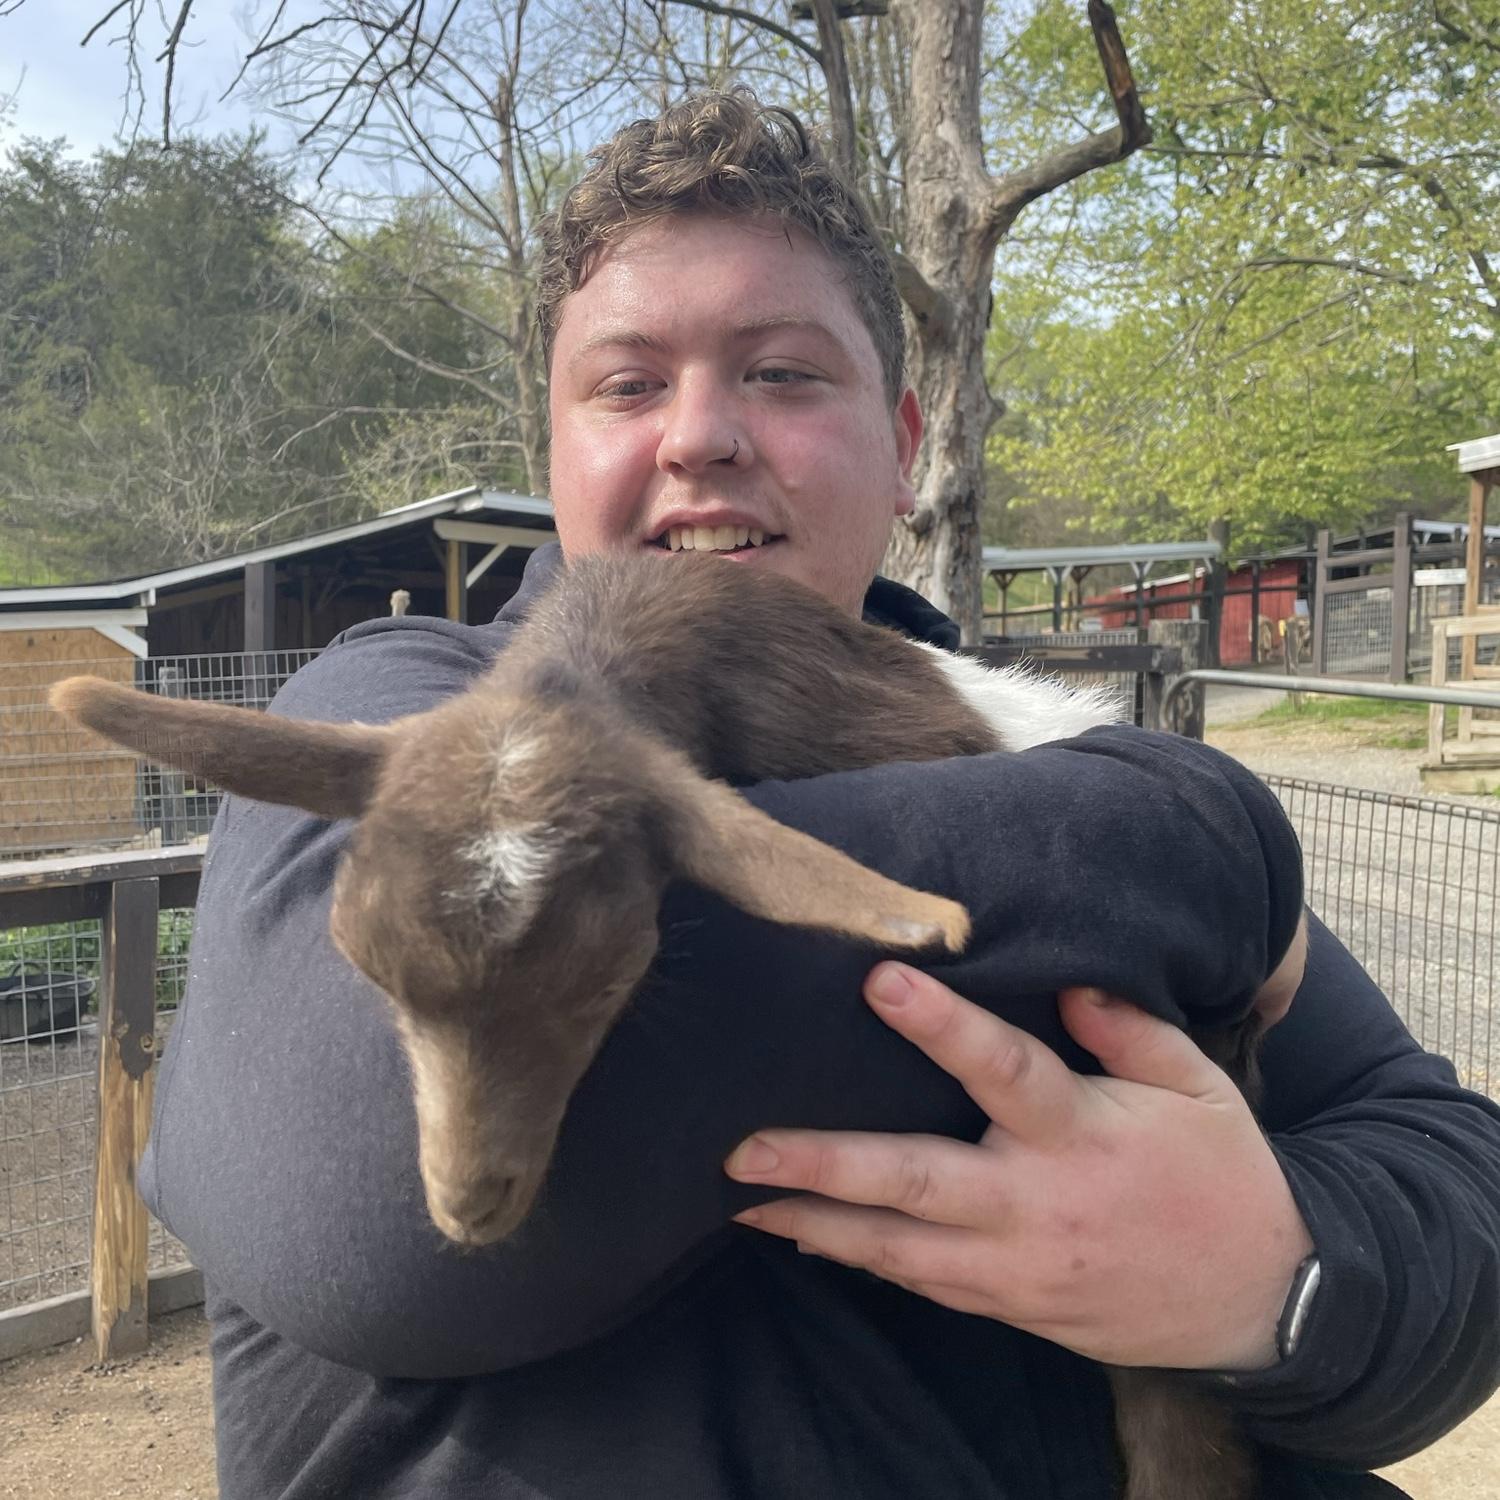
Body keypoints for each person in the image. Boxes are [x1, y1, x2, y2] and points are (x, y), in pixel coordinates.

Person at [142, 91, 1500, 1499]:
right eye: (625, 384)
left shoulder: (1024, 738)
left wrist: (1275, 1279)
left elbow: (1451, 1182)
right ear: (553, 447)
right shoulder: (389, 712)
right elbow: (365, 1230)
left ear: (904, 439)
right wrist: (1207, 847)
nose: (699, 436)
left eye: (784, 374)